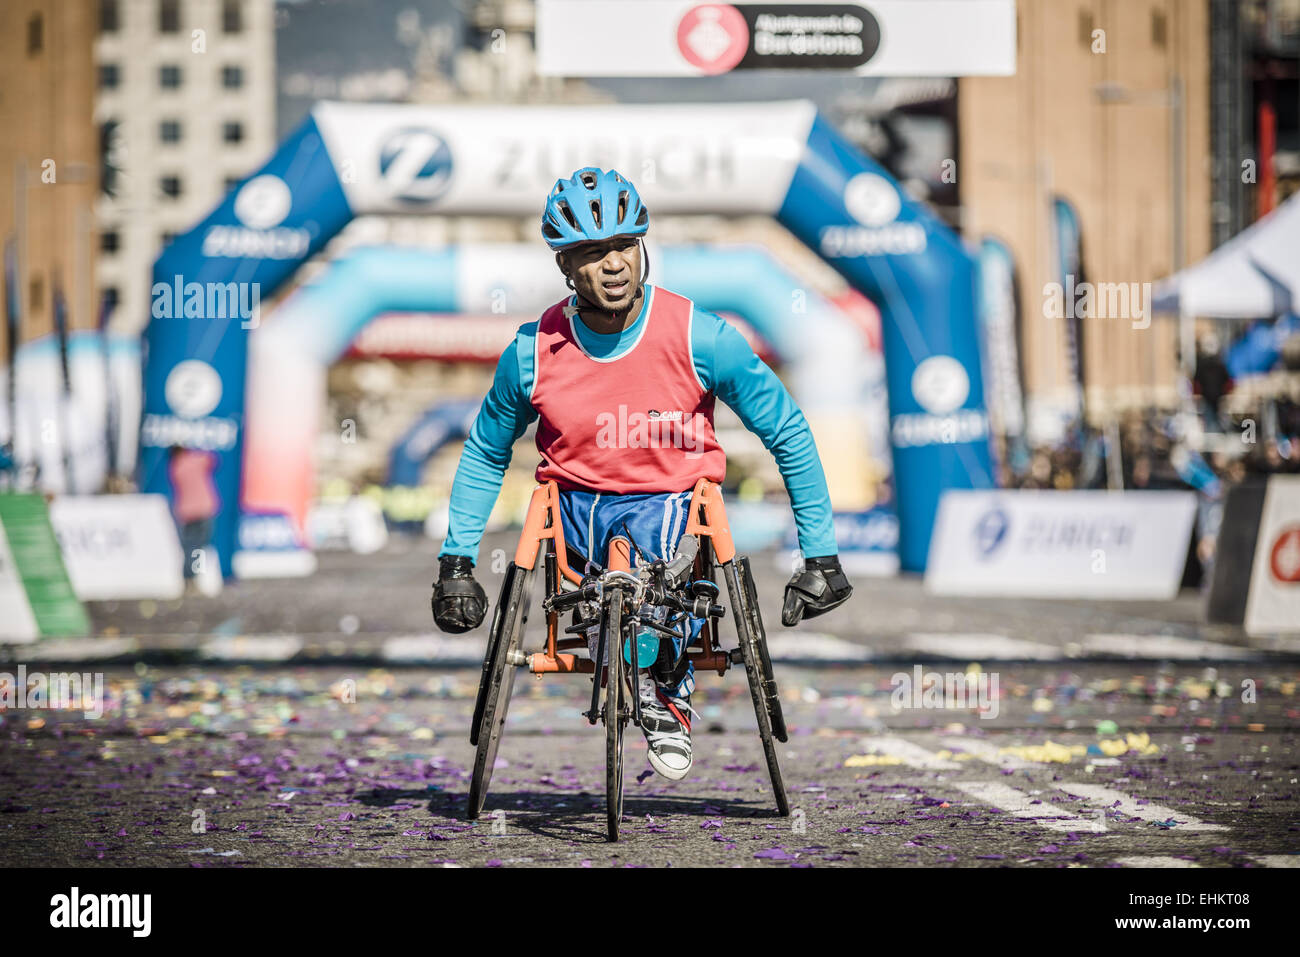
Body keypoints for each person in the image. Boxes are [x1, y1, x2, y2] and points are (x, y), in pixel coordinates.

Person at [430, 167, 852, 781]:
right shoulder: (530, 352)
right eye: (593, 252)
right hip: (577, 513)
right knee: (605, 548)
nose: (614, 264)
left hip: (678, 507)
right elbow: (486, 451)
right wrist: (456, 563)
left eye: (625, 246)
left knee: (660, 537)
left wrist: (822, 556)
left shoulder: (701, 337)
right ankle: (630, 649)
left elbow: (787, 430)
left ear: (643, 246)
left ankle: (661, 683)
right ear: (565, 267)